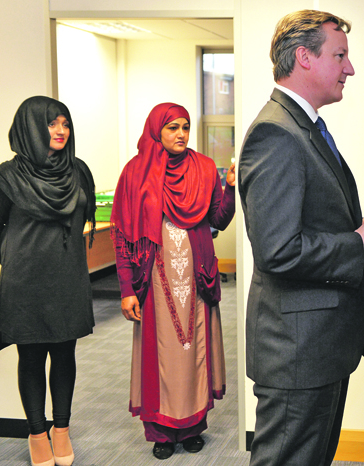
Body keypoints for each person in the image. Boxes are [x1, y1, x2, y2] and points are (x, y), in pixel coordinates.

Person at [239, 10, 364, 466]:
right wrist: (357, 243)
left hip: (317, 346)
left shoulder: (302, 126)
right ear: (304, 58)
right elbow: (277, 251)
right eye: (341, 55)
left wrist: (356, 230)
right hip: (296, 351)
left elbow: (301, 225)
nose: (349, 68)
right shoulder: (276, 133)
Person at [110, 102, 235, 460]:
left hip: (197, 278)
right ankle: (161, 432)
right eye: (172, 128)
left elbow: (218, 220)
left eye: (185, 127)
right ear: (156, 131)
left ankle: (194, 426)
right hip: (154, 278)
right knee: (159, 354)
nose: (181, 134)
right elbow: (122, 236)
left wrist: (229, 191)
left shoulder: (205, 168)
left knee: (194, 350)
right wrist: (125, 289)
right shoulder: (135, 173)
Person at [0, 96, 96, 466]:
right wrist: (17, 261)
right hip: (25, 282)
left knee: (65, 354)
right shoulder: (4, 178)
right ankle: (36, 432)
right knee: (31, 356)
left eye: (64, 123)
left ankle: (61, 430)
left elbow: (87, 213)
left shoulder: (78, 171)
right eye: (51, 124)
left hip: (67, 279)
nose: (61, 130)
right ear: (31, 127)